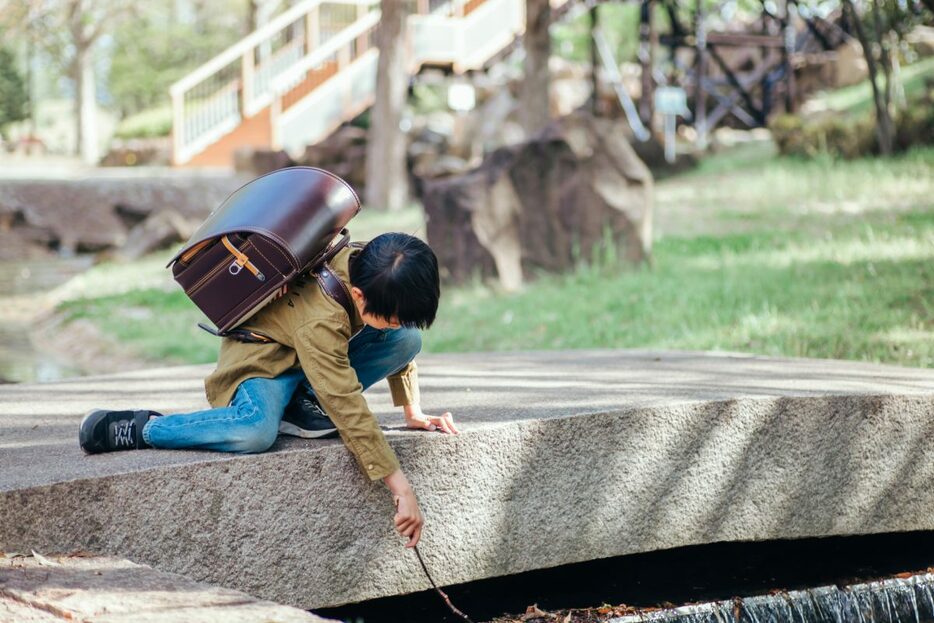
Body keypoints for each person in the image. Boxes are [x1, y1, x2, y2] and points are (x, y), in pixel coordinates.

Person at [78, 232, 458, 548]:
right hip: (264, 363)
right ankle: (147, 428)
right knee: (255, 430)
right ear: (358, 296)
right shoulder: (323, 320)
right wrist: (400, 486)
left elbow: (392, 337)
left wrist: (413, 411)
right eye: (389, 317)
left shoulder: (368, 264)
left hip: (313, 361)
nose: (391, 325)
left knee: (406, 340)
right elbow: (345, 402)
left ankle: (304, 405)